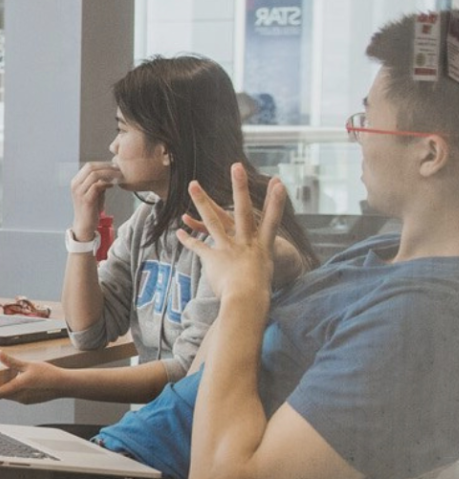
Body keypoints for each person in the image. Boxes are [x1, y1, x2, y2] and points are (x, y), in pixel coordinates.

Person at [0, 9, 459, 479]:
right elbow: (123, 339)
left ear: (430, 153)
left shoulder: (424, 318)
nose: (354, 139)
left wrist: (246, 295)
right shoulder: (379, 264)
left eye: (365, 121)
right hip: (120, 449)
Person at [22, 55, 318, 406]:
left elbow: (187, 372)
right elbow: (88, 332)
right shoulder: (149, 220)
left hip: (195, 445)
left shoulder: (233, 236)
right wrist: (82, 234)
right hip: (158, 431)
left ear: (166, 147)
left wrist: (61, 384)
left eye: (122, 130)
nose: (113, 147)